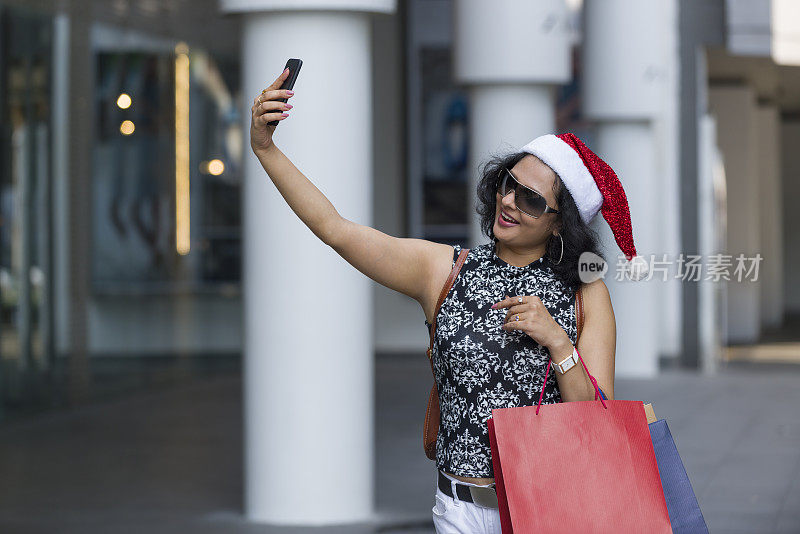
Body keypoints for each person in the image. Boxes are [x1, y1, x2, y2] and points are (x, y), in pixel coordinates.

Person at [250, 68, 649, 534]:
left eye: (533, 201)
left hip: (544, 507)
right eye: (508, 183)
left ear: (561, 224)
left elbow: (595, 422)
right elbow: (337, 231)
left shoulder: (585, 294)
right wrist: (265, 149)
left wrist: (560, 346)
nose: (511, 202)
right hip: (457, 508)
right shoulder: (444, 270)